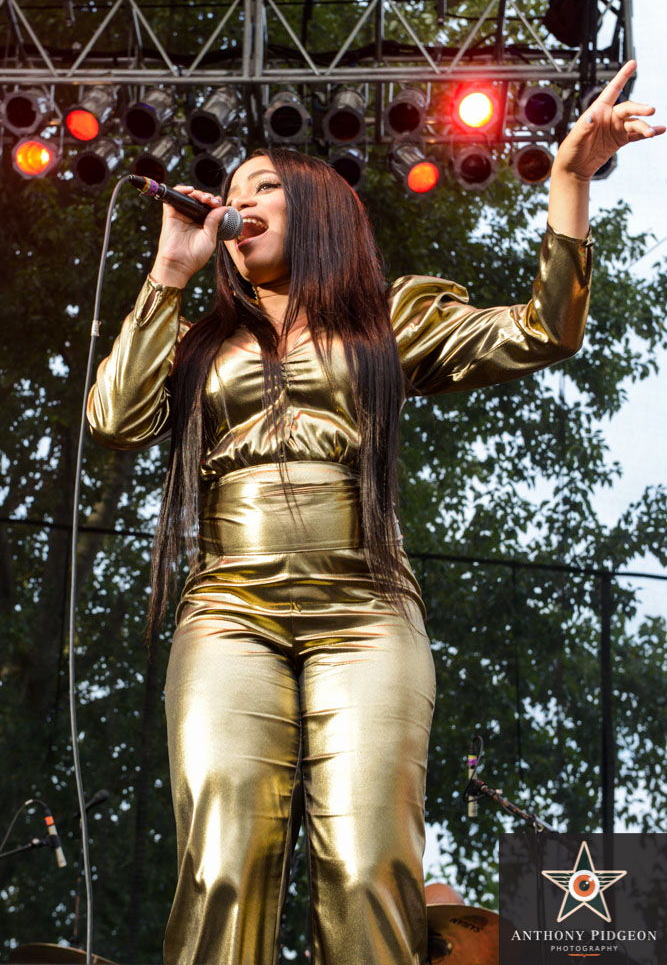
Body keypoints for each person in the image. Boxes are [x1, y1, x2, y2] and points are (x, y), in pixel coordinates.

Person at [87, 61, 662, 965]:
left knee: (366, 869)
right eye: (232, 194)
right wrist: (167, 273)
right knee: (224, 865)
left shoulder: (389, 321)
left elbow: (544, 328)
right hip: (228, 612)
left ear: (317, 210)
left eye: (264, 188)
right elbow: (113, 421)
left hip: (364, 615)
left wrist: (568, 179)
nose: (238, 206)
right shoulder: (200, 344)